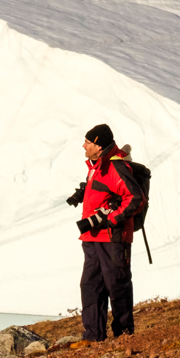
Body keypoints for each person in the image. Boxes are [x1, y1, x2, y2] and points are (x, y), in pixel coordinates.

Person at [64, 123, 141, 341]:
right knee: (90, 286)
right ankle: (93, 337)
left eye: (87, 142)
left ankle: (124, 336)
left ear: (98, 146)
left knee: (116, 284)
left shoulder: (115, 168)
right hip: (92, 238)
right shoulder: (96, 166)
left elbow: (135, 198)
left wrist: (113, 219)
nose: (83, 146)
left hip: (113, 238)